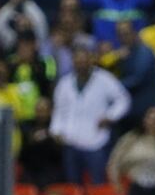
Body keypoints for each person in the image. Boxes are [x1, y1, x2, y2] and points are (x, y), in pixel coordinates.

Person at [50, 46, 131, 185]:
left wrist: (110, 116)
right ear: (73, 62)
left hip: (96, 141)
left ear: (90, 61)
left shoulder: (105, 79)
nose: (81, 64)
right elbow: (59, 110)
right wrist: (56, 130)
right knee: (73, 186)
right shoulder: (64, 84)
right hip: (71, 140)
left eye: (84, 61)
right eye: (77, 61)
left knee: (98, 184)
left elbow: (123, 100)